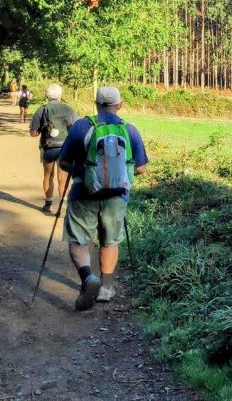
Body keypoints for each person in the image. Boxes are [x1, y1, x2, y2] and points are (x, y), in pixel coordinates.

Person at [58, 86, 148, 310]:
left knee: (78, 240)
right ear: (120, 104)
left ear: (96, 103)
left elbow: (63, 162)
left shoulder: (82, 126)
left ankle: (88, 278)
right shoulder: (129, 129)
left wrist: (83, 169)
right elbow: (141, 168)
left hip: (83, 194)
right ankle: (106, 288)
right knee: (110, 240)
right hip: (117, 196)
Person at [29, 84, 78, 213]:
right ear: (60, 96)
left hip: (49, 148)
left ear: (46, 96)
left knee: (48, 175)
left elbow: (33, 133)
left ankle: (48, 204)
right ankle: (63, 202)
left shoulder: (42, 110)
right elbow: (76, 129)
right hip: (65, 149)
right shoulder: (68, 110)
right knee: (62, 177)